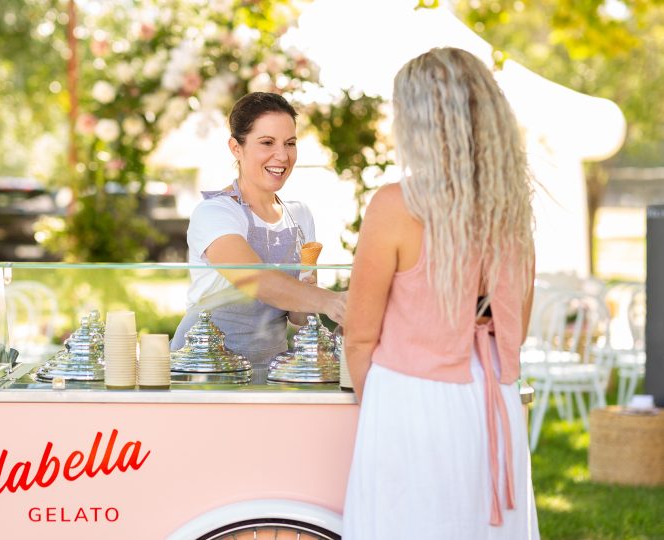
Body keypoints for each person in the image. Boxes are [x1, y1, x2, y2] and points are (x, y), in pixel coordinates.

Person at [342, 48, 539, 539]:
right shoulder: (510, 207)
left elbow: (359, 338)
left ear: (418, 121)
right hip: (493, 394)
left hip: (412, 398)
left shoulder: (395, 205)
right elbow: (518, 325)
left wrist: (381, 410)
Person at [170, 92, 346, 382]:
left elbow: (297, 317)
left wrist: (313, 302)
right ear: (236, 148)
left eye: (290, 144)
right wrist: (332, 302)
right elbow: (255, 279)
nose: (282, 155)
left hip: (272, 371)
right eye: (267, 143)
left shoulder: (300, 216)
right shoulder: (215, 213)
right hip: (205, 368)